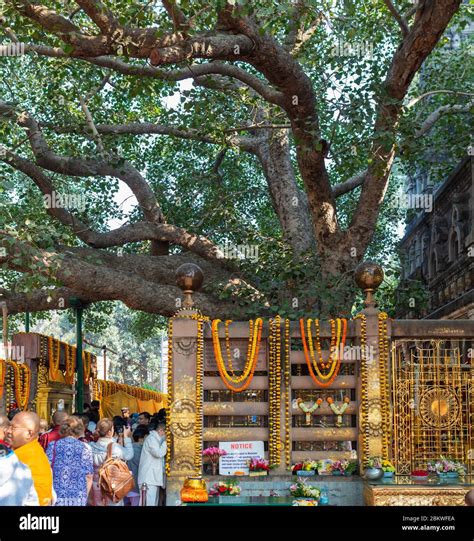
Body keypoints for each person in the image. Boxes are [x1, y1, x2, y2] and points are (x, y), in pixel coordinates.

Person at [5, 411, 53, 506]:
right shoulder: (24, 451)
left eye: (13, 428)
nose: (8, 431)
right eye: (9, 426)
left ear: (29, 433)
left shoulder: (29, 457)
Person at [46, 417, 94, 506]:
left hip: (56, 494)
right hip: (78, 496)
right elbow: (89, 476)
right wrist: (84, 496)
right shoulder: (86, 448)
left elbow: (47, 470)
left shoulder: (53, 445)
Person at [89, 418, 134, 506]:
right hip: (111, 484)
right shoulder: (114, 447)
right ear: (110, 432)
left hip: (95, 485)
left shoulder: (91, 446)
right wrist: (126, 437)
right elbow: (129, 455)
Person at [138, 422, 167, 506]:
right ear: (161, 431)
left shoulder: (156, 439)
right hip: (148, 478)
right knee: (148, 503)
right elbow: (158, 453)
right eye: (166, 434)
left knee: (153, 503)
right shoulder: (151, 439)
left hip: (152, 478)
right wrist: (165, 442)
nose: (166, 437)